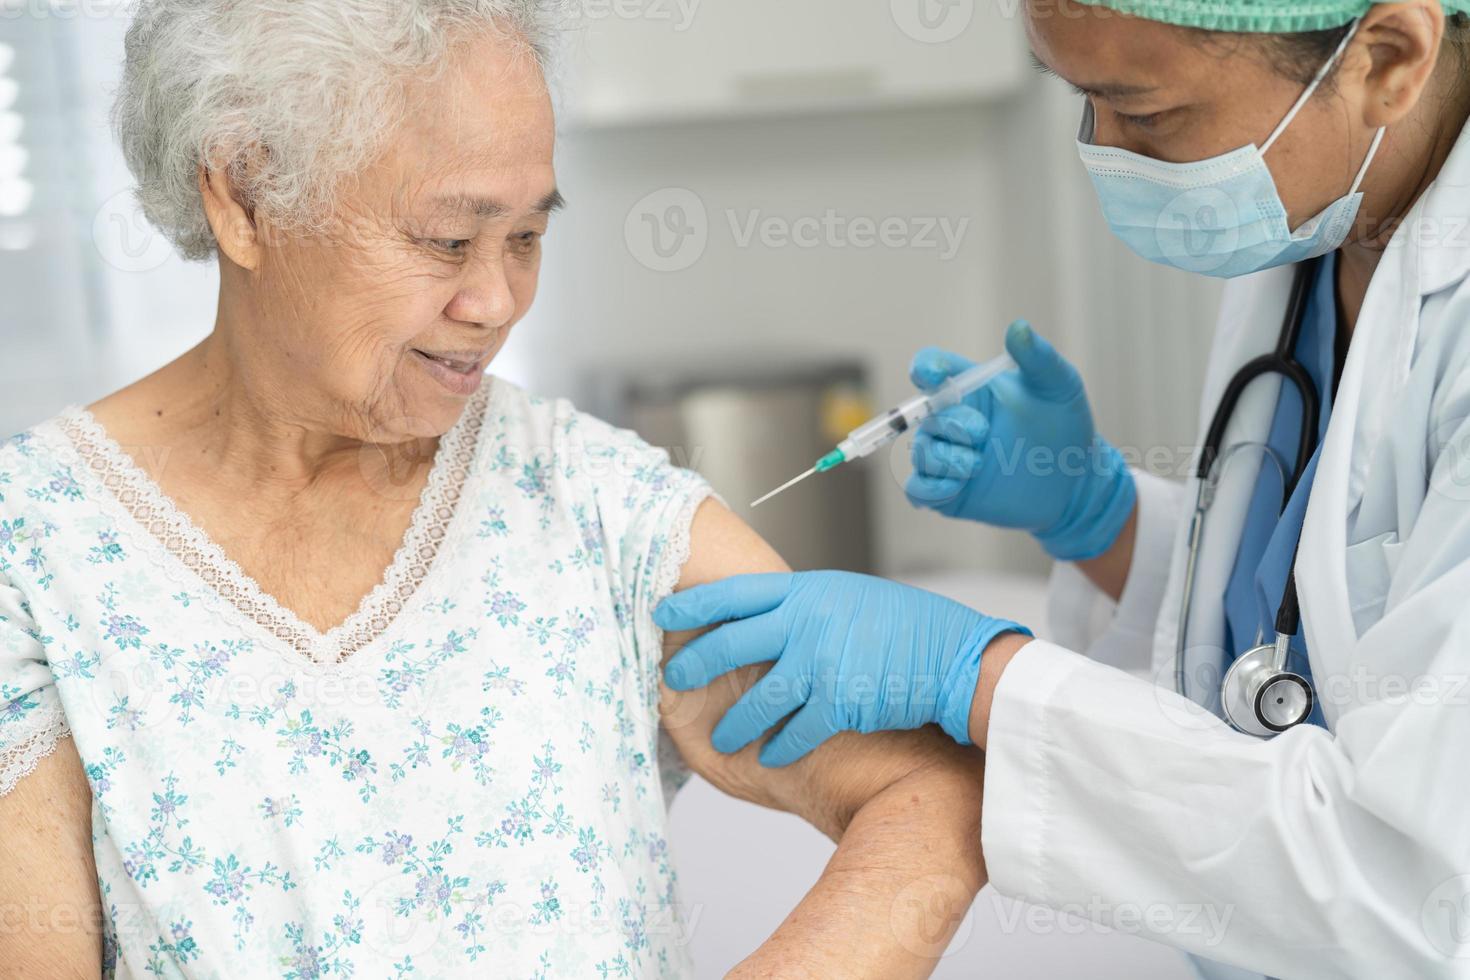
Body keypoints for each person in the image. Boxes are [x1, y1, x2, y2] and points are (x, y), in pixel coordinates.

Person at [0, 2, 990, 976]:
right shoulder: (33, 548)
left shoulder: (595, 505)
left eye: (524, 237)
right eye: (447, 239)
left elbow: (931, 789)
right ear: (246, 200)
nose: (497, 302)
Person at [658, 1, 1470, 976]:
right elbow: (1311, 609)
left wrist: (980, 672)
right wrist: (1100, 515)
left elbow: (1417, 886)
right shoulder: (1321, 218)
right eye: (1082, 99)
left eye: (1149, 114)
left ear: (1388, 58)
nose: (1105, 152)